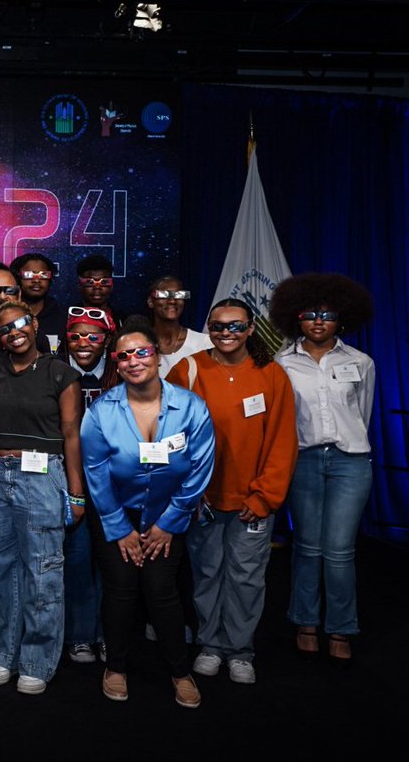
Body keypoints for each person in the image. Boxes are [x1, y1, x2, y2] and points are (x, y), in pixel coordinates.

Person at [81, 320, 216, 708]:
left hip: (167, 519)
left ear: (157, 355)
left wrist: (167, 524)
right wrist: (120, 528)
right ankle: (117, 667)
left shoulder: (191, 407)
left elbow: (200, 467)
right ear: (116, 364)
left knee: (162, 592)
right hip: (115, 515)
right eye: (124, 355)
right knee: (120, 591)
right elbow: (96, 472)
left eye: (142, 352)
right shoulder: (101, 412)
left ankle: (180, 671)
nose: (134, 361)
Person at [167, 298, 298, 685]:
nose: (227, 333)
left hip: (251, 500)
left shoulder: (271, 375)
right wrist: (189, 492)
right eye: (219, 326)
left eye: (235, 326)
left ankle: (240, 650)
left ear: (251, 329)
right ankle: (209, 644)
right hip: (202, 501)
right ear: (209, 328)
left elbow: (282, 442)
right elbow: (172, 437)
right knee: (206, 573)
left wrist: (263, 497)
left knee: (246, 576)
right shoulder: (188, 370)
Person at [0, 299, 86, 694]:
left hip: (43, 476)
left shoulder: (61, 373)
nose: (15, 332)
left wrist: (76, 494)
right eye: (5, 328)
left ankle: (36, 661)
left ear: (35, 322)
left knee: (42, 571)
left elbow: (72, 435)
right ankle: (2, 655)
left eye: (21, 323)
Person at [271, 273, 376, 664]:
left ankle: (342, 627)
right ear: (296, 319)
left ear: (341, 319)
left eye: (327, 314)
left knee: (340, 550)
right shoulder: (282, 364)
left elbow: (362, 414)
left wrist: (351, 447)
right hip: (304, 461)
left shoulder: (361, 362)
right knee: (307, 546)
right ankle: (305, 622)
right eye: (310, 313)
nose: (318, 321)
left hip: (350, 462)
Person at [60, 306, 119, 664]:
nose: (84, 343)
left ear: (107, 340)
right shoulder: (57, 375)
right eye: (76, 336)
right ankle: (81, 635)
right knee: (78, 561)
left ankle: (109, 634)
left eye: (93, 336)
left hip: (115, 487)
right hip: (74, 482)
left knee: (113, 565)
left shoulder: (121, 376)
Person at [147, 275, 211, 378]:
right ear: (151, 301)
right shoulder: (139, 345)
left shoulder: (204, 343)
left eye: (179, 295)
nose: (172, 301)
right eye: (164, 294)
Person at [10, 252, 64, 354]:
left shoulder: (63, 318)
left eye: (43, 275)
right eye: (29, 275)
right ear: (16, 278)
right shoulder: (7, 317)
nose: (36, 280)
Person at [75, 254, 121, 321]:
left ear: (112, 285)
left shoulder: (122, 320)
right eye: (90, 282)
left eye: (104, 282)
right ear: (79, 285)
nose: (97, 287)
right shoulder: (66, 319)